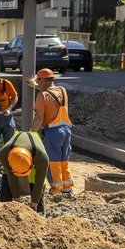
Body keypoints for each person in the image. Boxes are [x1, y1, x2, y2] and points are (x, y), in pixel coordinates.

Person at [30, 68, 74, 198]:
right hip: (67, 130)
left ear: (43, 81)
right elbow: (52, 101)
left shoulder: (42, 96)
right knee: (64, 160)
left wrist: (32, 133)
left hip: (53, 132)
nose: (37, 84)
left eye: (38, 82)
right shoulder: (62, 90)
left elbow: (39, 117)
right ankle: (67, 189)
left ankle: (56, 190)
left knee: (53, 162)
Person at [0, 130, 49, 214]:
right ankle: (1, 209)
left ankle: (40, 212)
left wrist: (34, 203)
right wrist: (16, 200)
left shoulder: (42, 158)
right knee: (6, 178)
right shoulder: (4, 154)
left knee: (35, 181)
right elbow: (11, 177)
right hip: (15, 147)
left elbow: (40, 181)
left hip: (34, 147)